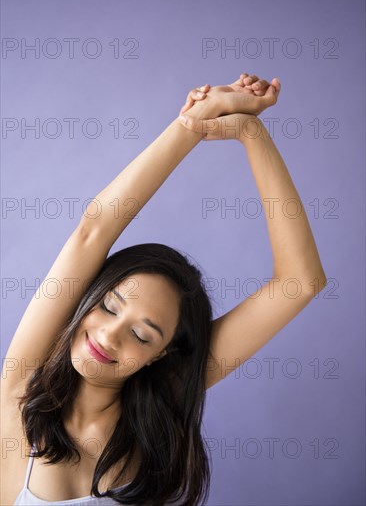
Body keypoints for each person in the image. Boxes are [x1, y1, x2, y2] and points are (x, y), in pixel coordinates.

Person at [1, 73, 327, 506]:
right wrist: (193, 123)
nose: (110, 335)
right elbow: (93, 230)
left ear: (163, 354)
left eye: (142, 335)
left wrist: (252, 133)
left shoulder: (161, 405)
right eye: (109, 306)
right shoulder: (18, 395)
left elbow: (299, 282)